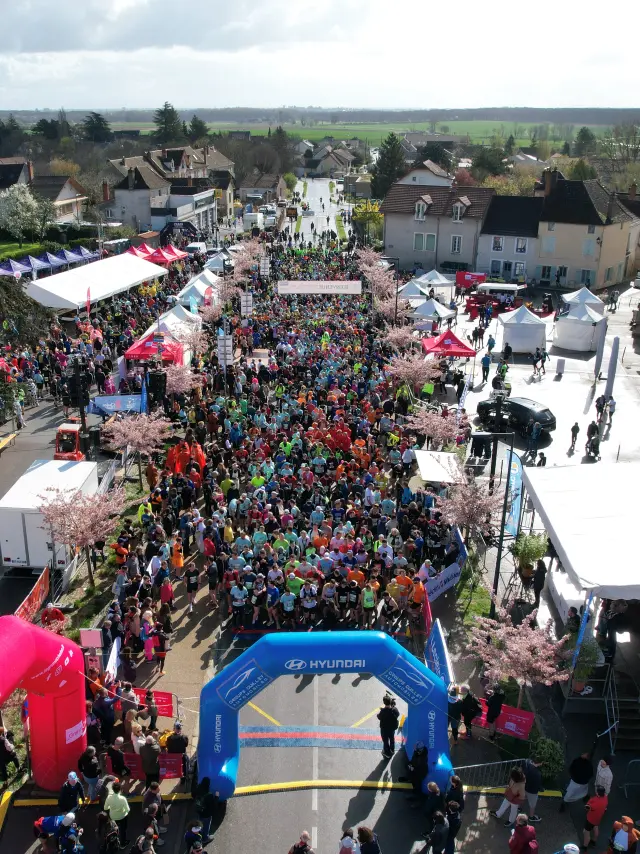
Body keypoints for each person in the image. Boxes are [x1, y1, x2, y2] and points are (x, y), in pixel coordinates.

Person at [104, 780, 130, 847]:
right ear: (120, 790)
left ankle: (114, 840)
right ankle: (123, 844)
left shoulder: (109, 797)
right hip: (122, 817)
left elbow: (105, 808)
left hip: (113, 817)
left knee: (114, 829)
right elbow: (128, 809)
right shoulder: (123, 798)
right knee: (123, 830)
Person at [192, 776, 219, 840]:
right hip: (207, 814)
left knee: (199, 823)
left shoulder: (198, 789)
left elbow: (192, 795)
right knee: (206, 826)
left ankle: (197, 835)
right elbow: (214, 806)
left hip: (199, 811)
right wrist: (216, 797)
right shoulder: (209, 795)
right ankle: (205, 838)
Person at [583, 785, 608, 850]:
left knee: (586, 832)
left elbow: (587, 807)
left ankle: (585, 846)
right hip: (598, 818)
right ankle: (594, 841)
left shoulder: (595, 801)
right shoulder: (605, 798)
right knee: (595, 827)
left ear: (597, 793)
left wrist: (588, 803)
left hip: (590, 819)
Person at [377, 694, 399, 758]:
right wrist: (393, 706)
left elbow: (379, 717)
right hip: (392, 728)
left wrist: (381, 711)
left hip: (384, 729)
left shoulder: (383, 712)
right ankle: (392, 750)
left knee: (385, 741)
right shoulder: (394, 710)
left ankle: (387, 753)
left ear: (384, 703)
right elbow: (398, 714)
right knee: (392, 739)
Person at [523, 757, 544, 822]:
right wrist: (541, 789)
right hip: (532, 791)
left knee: (523, 797)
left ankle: (519, 808)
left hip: (524, 787)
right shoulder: (537, 773)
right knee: (532, 805)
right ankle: (531, 817)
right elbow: (537, 784)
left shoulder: (527, 765)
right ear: (540, 763)